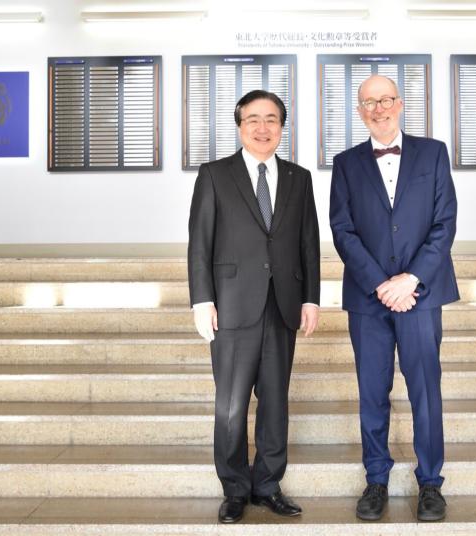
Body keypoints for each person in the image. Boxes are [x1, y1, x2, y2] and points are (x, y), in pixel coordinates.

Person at [329, 75, 459, 522]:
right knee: (372, 392)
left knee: (426, 391)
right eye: (369, 102)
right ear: (360, 111)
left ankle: (430, 483)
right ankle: (376, 479)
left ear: (400, 104)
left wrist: (410, 280)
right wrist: (382, 284)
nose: (378, 108)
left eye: (385, 100)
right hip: (369, 299)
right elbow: (342, 231)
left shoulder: (433, 152)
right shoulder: (345, 163)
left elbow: (445, 223)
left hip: (421, 295)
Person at [188, 89, 320, 524]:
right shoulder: (214, 175)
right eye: (253, 120)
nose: (263, 128)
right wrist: (202, 300)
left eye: (272, 120)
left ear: (282, 127)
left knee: (275, 400)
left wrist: (311, 298)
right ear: (239, 125)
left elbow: (308, 243)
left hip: (281, 304)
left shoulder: (299, 178)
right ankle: (234, 489)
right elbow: (200, 243)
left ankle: (267, 484)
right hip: (231, 305)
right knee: (230, 404)